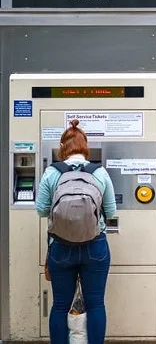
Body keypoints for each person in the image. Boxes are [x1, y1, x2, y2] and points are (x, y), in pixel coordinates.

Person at [36, 120, 117, 344]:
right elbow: (110, 211)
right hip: (95, 246)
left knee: (60, 305)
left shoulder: (52, 173)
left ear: (63, 147)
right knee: (96, 304)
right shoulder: (99, 172)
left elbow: (42, 210)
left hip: (60, 246)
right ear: (85, 147)